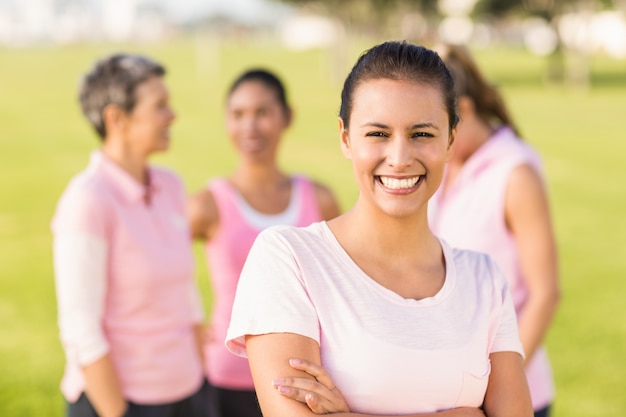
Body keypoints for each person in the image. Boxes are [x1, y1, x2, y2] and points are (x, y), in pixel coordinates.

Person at [224, 41, 533, 417]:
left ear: (451, 139)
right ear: (345, 138)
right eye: (378, 134)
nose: (400, 158)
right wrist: (467, 414)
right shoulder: (289, 259)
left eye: (421, 134)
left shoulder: (484, 279)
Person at [51, 54, 215, 417]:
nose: (172, 115)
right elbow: (81, 330)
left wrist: (202, 383)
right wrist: (116, 411)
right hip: (122, 402)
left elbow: (185, 297)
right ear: (117, 118)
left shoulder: (171, 186)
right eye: (160, 106)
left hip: (189, 392)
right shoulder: (87, 200)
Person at [187, 68, 341, 417]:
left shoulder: (319, 199)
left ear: (287, 117)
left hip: (302, 382)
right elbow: (162, 270)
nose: (250, 127)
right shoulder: (208, 204)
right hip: (225, 379)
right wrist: (191, 326)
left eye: (263, 112)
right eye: (238, 114)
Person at [426, 43, 560, 417]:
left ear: (463, 112)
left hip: (510, 398)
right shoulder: (445, 169)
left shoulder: (515, 174)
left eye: (433, 126)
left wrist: (498, 389)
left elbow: (545, 294)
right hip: (453, 394)